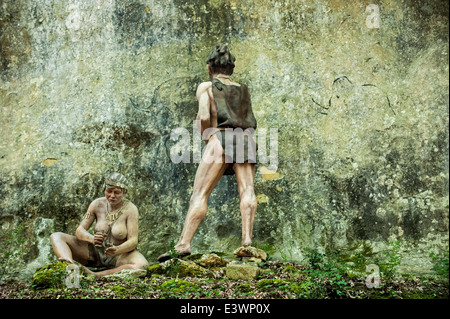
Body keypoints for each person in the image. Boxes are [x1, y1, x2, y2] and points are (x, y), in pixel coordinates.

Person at [158, 44, 258, 262]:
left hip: (220, 137)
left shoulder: (206, 86)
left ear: (209, 67)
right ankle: (247, 242)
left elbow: (204, 116)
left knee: (200, 193)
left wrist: (207, 137)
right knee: (247, 189)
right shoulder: (243, 89)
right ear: (231, 68)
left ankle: (183, 244)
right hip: (245, 138)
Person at [50, 173, 148, 278]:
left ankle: (96, 275)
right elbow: (80, 230)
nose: (112, 195)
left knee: (142, 265)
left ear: (124, 193)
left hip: (119, 256)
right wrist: (92, 239)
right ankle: (70, 268)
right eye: (109, 191)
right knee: (56, 236)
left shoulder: (131, 209)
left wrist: (117, 249)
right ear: (104, 189)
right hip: (94, 253)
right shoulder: (97, 204)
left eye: (117, 192)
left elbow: (133, 241)